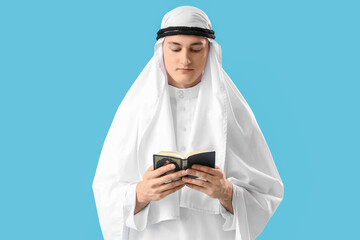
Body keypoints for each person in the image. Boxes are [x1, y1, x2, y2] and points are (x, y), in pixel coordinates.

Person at [92, 5, 284, 240]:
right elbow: (105, 191)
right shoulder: (134, 110)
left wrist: (226, 193)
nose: (185, 59)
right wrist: (141, 193)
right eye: (175, 48)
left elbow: (268, 194)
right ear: (162, 50)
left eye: (195, 49)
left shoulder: (234, 112)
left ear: (209, 52)